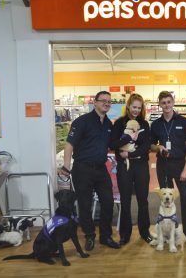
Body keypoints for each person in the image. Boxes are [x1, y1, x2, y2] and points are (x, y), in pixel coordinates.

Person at [60, 91, 120, 251]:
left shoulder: (109, 124)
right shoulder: (82, 121)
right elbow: (69, 144)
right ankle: (89, 235)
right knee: (85, 204)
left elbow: (114, 144)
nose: (106, 103)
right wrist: (66, 165)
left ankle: (105, 236)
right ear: (95, 102)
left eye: (109, 101)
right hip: (82, 169)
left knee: (108, 201)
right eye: (103, 101)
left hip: (101, 169)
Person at [150, 91, 186, 246]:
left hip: (180, 164)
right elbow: (151, 145)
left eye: (169, 102)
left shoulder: (184, 122)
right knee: (166, 199)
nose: (166, 105)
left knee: (185, 198)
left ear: (173, 102)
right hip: (163, 165)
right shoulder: (156, 124)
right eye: (163, 103)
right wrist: (158, 147)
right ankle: (167, 232)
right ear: (160, 104)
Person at [110, 93, 152, 245]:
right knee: (125, 200)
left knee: (143, 200)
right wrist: (127, 138)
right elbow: (113, 144)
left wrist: (131, 152)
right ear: (128, 106)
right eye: (134, 107)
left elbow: (146, 146)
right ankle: (125, 234)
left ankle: (144, 231)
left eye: (139, 108)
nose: (136, 110)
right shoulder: (119, 123)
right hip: (124, 167)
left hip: (140, 165)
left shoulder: (145, 124)